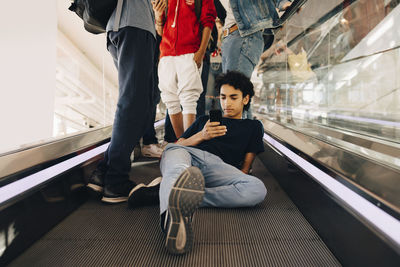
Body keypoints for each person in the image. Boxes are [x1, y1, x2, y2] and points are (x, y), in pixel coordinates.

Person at [154, 71, 267, 254]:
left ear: (245, 99)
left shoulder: (253, 127)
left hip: (220, 168)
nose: (226, 103)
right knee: (176, 160)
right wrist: (202, 135)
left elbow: (246, 168)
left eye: (233, 97)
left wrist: (241, 174)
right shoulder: (203, 121)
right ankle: (170, 223)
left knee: (257, 189)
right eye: (223, 97)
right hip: (189, 155)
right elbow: (176, 146)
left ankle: (174, 194)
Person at [86, 0, 161, 203]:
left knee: (142, 104)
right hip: (133, 25)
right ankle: (116, 181)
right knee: (133, 104)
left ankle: (103, 173)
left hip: (127, 26)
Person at [152, 0, 217, 139]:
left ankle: (189, 147)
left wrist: (201, 52)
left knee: (189, 100)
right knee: (170, 100)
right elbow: (160, 30)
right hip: (166, 54)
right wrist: (158, 16)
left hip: (190, 52)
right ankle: (183, 144)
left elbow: (208, 22)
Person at [219, 0, 293, 118]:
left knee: (235, 97)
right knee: (235, 96)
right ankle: (245, 134)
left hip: (243, 37)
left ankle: (242, 135)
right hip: (232, 37)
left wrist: (282, 2)